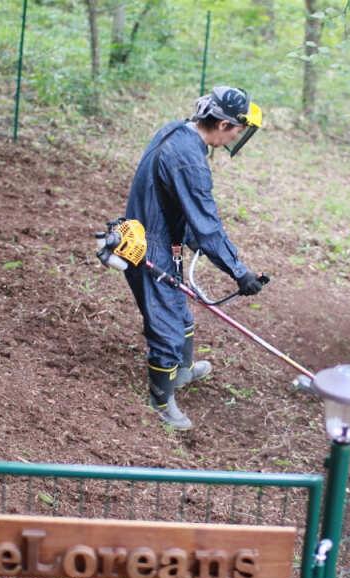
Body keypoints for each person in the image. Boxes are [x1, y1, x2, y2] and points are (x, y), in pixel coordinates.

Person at [124, 86, 265, 431]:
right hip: (150, 246)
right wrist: (239, 272)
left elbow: (170, 202)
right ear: (222, 125)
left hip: (154, 234)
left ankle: (182, 373)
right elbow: (207, 226)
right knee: (167, 329)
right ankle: (162, 402)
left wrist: (186, 237)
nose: (237, 137)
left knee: (181, 316)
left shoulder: (176, 131)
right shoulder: (190, 160)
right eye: (238, 130)